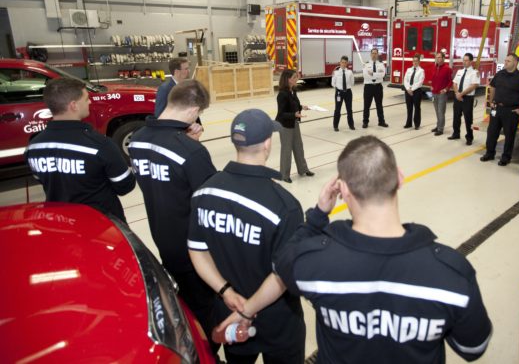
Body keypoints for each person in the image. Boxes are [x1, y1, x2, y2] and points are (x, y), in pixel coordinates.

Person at [214, 136, 493, 363]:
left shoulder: (314, 264)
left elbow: (282, 263)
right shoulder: (452, 273)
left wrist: (317, 216)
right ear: (399, 178)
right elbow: (472, 348)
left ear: (342, 191)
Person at [188, 109, 306, 364]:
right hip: (277, 321)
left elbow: (197, 250)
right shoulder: (284, 207)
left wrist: (227, 292)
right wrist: (248, 309)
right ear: (267, 143)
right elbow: (283, 275)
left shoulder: (203, 193)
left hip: (229, 312)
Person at [128, 79, 219, 354]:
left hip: (161, 237)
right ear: (193, 110)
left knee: (185, 302)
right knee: (205, 309)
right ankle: (207, 354)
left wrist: (185, 142)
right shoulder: (191, 153)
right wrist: (190, 146)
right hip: (194, 248)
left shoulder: (137, 140)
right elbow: (211, 202)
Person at [25, 77, 135, 222]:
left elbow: (43, 179)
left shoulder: (33, 146)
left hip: (61, 222)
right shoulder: (100, 145)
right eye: (86, 98)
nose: (90, 102)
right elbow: (125, 186)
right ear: (74, 105)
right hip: (102, 222)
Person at [481, 53, 519, 166]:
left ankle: (506, 157)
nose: (505, 63)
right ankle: (489, 153)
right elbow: (492, 87)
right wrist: (492, 102)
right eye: (505, 61)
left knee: (509, 136)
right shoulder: (500, 74)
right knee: (492, 133)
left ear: (515, 62)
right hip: (497, 109)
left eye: (508, 61)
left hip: (511, 111)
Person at [276, 69, 314, 183]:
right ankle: (284, 175)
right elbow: (281, 113)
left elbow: (294, 104)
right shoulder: (282, 94)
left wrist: (302, 107)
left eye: (296, 77)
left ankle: (303, 169)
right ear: (288, 80)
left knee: (298, 147)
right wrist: (294, 114)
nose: (296, 79)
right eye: (294, 77)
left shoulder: (293, 91)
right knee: (286, 150)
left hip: (294, 123)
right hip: (285, 125)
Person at [449, 53, 480, 145]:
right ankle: (456, 133)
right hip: (458, 96)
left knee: (468, 119)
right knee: (456, 116)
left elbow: (474, 85)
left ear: (471, 61)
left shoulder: (474, 73)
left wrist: (461, 94)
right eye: (463, 60)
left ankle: (469, 137)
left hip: (467, 98)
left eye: (466, 60)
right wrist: (457, 93)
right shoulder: (459, 72)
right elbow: (454, 83)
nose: (464, 62)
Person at [362, 48, 388, 128]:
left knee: (379, 105)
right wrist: (377, 74)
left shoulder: (381, 64)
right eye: (372, 53)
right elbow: (365, 75)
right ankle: (365, 122)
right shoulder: (366, 64)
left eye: (375, 53)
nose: (374, 55)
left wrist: (372, 74)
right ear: (370, 54)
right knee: (366, 106)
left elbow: (382, 75)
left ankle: (381, 121)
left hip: (378, 87)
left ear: (377, 54)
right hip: (368, 87)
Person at [430, 51, 453, 136]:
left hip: (441, 94)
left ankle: (440, 129)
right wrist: (431, 86)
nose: (437, 59)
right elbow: (432, 79)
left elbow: (451, 81)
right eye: (436, 57)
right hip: (434, 93)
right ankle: (438, 125)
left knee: (441, 111)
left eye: (439, 57)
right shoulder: (434, 67)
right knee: (437, 111)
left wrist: (446, 89)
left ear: (443, 58)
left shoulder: (447, 69)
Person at [331, 56, 355, 131]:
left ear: (347, 63)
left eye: (345, 62)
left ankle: (351, 125)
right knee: (337, 110)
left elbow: (352, 83)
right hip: (339, 93)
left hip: (348, 92)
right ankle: (335, 126)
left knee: (349, 110)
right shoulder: (336, 72)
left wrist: (347, 87)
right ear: (340, 62)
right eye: (342, 62)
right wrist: (338, 88)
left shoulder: (350, 72)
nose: (344, 64)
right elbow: (333, 83)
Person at [403, 54, 425, 130]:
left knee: (417, 108)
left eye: (416, 61)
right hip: (408, 91)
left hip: (416, 91)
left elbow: (420, 82)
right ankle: (408, 123)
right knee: (409, 108)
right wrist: (408, 89)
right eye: (414, 61)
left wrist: (412, 89)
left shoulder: (421, 71)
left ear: (419, 61)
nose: (415, 62)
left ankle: (417, 124)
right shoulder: (408, 70)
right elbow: (405, 80)